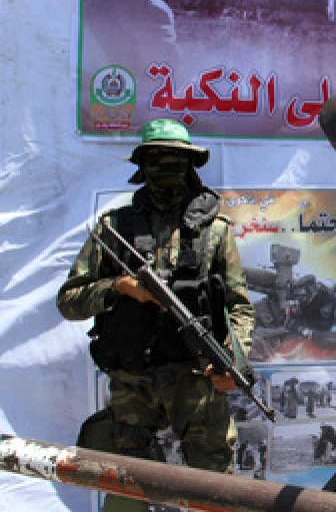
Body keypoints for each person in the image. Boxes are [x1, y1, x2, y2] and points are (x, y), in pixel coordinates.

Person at [57, 118, 254, 512]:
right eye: (158, 159)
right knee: (126, 487)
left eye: (176, 161)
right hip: (134, 383)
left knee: (215, 490)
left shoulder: (215, 231)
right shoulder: (114, 229)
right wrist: (118, 288)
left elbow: (239, 306)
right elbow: (69, 300)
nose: (167, 169)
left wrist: (233, 360)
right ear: (142, 165)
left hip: (197, 379)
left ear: (191, 166)